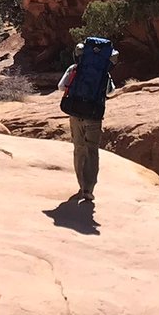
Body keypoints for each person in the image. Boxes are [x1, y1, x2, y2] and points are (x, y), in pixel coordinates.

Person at [58, 41, 118, 202]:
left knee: (79, 149)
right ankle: (88, 189)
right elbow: (110, 92)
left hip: (76, 113)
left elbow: (61, 87)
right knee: (92, 150)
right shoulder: (104, 73)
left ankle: (80, 185)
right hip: (94, 116)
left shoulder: (74, 69)